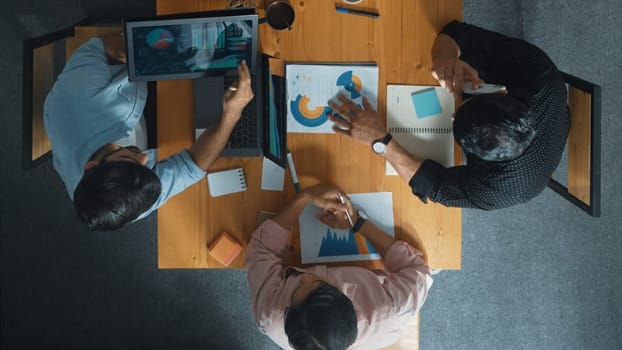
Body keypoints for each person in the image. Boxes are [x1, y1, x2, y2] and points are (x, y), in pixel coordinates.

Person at [327, 21, 570, 210]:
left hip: (540, 159)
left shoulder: (501, 189)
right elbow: (458, 31)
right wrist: (446, 58)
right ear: (500, 90)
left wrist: (381, 141)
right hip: (553, 110)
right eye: (462, 104)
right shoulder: (537, 69)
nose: (451, 111)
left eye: (454, 115)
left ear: (479, 157)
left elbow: (436, 187)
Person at [44, 34, 253, 230]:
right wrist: (231, 115)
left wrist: (147, 58)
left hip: (126, 83)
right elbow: (190, 168)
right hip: (144, 115)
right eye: (144, 167)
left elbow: (101, 46)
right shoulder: (128, 200)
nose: (146, 157)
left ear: (92, 165)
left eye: (129, 157)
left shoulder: (75, 96)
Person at [246, 184, 432, 350]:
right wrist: (359, 224)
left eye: (298, 288)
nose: (306, 276)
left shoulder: (270, 314)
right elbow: (417, 268)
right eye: (320, 284)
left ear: (287, 313)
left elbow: (261, 249)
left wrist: (305, 197)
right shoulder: (389, 313)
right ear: (348, 301)